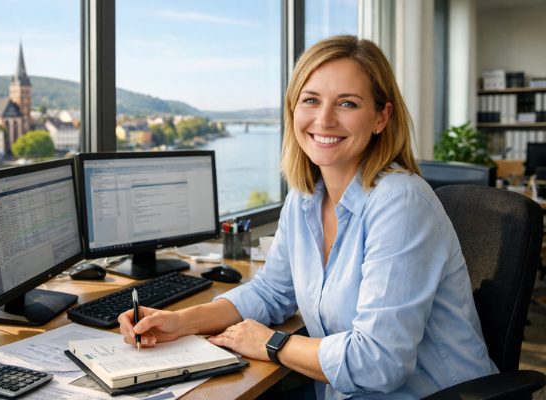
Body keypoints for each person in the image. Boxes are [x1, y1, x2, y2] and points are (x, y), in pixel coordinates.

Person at [117, 35, 498, 399]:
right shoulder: (305, 197)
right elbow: (270, 291)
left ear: (382, 118)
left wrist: (271, 342)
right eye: (311, 100)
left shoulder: (400, 203)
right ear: (293, 110)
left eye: (347, 103)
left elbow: (380, 364)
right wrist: (181, 321)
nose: (325, 119)